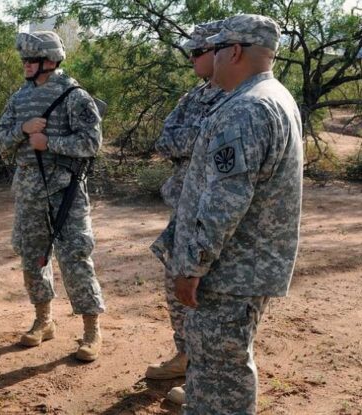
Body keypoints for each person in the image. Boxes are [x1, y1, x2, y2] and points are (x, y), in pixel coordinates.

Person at [170, 14, 303, 414]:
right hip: (243, 267)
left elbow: (226, 199)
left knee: (220, 376)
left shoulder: (247, 108)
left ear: (234, 51)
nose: (211, 59)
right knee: (219, 369)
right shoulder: (272, 96)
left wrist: (193, 264)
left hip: (230, 273)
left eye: (216, 49)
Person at [0, 31, 105, 362]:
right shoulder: (19, 99)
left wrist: (50, 143)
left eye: (31, 59)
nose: (25, 65)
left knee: (76, 258)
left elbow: (92, 145)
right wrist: (22, 131)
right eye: (24, 60)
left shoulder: (75, 95)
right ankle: (43, 320)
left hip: (65, 191)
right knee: (32, 257)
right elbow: (0, 142)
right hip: (28, 190)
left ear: (50, 61)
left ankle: (91, 330)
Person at [146, 21, 226, 404]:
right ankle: (185, 354)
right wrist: (194, 142)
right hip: (182, 207)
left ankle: (206, 376)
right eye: (191, 52)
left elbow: (213, 150)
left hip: (214, 211)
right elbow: (165, 139)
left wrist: (192, 142)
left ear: (223, 53)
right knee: (175, 286)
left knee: (210, 295)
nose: (192, 58)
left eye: (198, 52)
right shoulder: (194, 97)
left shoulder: (237, 98)